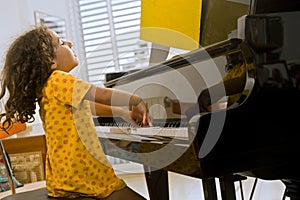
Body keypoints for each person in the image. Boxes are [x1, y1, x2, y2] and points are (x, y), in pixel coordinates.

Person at [0, 25, 152, 199]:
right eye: (62, 42)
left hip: (65, 176)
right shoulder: (59, 79)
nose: (70, 43)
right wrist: (135, 100)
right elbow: (100, 94)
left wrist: (122, 113)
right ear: (50, 61)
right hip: (83, 173)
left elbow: (89, 105)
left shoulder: (49, 88)